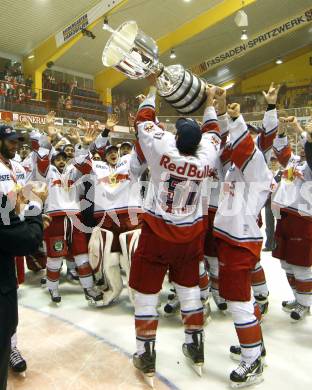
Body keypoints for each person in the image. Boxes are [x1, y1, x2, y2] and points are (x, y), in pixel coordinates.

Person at [129, 81, 220, 385]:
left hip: (157, 232)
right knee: (189, 290)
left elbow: (143, 121)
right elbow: (214, 132)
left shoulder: (163, 151)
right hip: (190, 234)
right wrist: (209, 101)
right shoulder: (206, 158)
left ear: (177, 138)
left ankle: (146, 352)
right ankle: (196, 347)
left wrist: (152, 93)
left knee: (146, 293)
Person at [213, 101, 275, 387]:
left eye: (243, 139)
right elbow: (229, 147)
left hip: (241, 243)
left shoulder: (257, 165)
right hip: (231, 239)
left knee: (239, 302)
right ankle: (255, 345)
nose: (236, 145)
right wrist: (222, 118)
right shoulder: (236, 169)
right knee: (241, 300)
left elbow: (244, 148)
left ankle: (252, 362)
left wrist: (232, 116)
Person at [0, 127, 46, 390]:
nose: (15, 145)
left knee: (12, 288)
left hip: (15, 228)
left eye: (17, 141)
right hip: (7, 231)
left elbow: (25, 192)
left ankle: (10, 345)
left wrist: (35, 214)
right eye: (10, 141)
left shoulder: (16, 166)